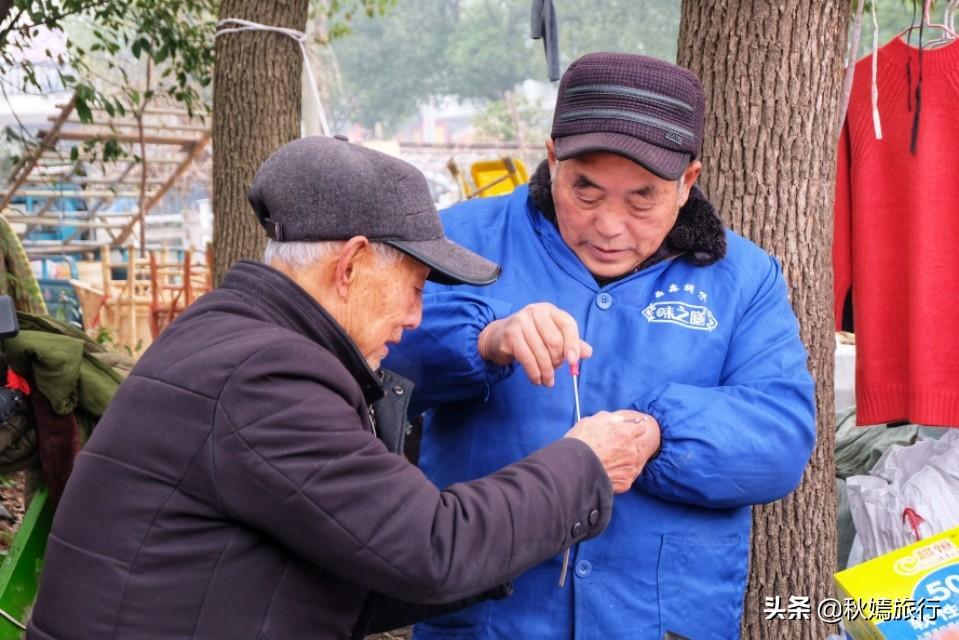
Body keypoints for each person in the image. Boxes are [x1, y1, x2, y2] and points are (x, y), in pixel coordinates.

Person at [25, 136, 660, 640]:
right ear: (351, 266)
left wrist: (502, 549)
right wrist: (583, 464)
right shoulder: (268, 377)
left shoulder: (227, 334)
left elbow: (354, 565)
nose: (416, 317)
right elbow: (428, 547)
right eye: (414, 287)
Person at [385, 52, 817, 639]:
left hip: (658, 618)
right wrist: (484, 341)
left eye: (642, 198)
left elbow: (780, 441)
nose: (610, 226)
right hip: (486, 617)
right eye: (585, 190)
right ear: (552, 159)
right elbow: (376, 367)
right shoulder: (461, 239)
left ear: (688, 183)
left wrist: (657, 434)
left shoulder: (745, 277)